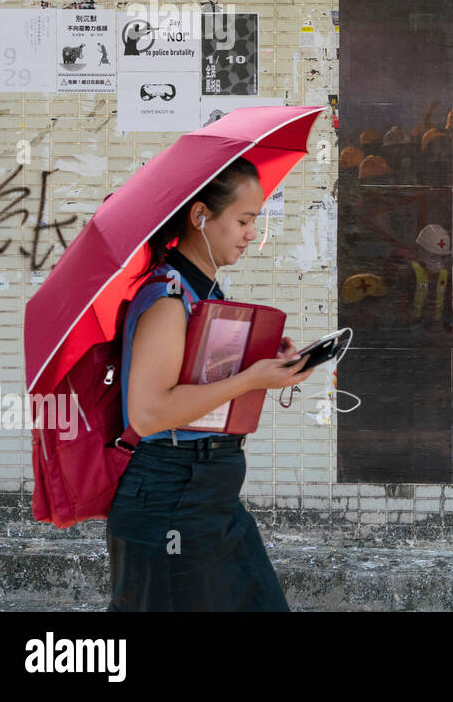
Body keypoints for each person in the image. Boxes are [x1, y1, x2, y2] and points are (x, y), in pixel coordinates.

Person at [109, 158, 314, 611]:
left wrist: (265, 364)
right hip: (170, 495)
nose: (250, 235)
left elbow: (201, 382)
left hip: (209, 494)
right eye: (243, 221)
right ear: (200, 216)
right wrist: (248, 379)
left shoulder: (206, 295)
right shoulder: (168, 298)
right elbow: (148, 413)